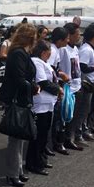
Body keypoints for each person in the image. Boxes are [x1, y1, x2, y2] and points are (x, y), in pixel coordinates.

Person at [0, 23, 38, 187]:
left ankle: (18, 170)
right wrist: (34, 87)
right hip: (17, 99)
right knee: (15, 138)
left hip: (20, 98)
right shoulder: (18, 54)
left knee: (20, 137)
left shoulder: (21, 53)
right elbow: (19, 78)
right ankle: (12, 173)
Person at [26, 40, 62, 175]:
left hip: (48, 103)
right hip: (40, 103)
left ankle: (41, 159)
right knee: (38, 135)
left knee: (44, 134)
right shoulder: (36, 62)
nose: (50, 54)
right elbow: (43, 82)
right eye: (48, 52)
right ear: (43, 52)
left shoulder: (45, 63)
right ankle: (33, 162)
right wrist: (58, 89)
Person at [70, 25, 94, 144]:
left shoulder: (88, 48)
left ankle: (82, 132)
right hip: (85, 84)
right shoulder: (87, 49)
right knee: (82, 111)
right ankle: (78, 134)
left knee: (85, 111)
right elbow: (83, 67)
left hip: (88, 83)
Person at [60, 23, 85, 151]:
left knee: (74, 116)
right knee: (65, 116)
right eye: (77, 34)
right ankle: (61, 141)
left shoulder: (75, 48)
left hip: (77, 86)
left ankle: (70, 138)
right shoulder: (63, 50)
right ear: (69, 35)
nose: (80, 36)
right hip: (68, 88)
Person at [47, 27, 70, 155]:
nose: (67, 40)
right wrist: (58, 84)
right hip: (52, 89)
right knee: (54, 119)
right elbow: (49, 70)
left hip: (54, 87)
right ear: (60, 40)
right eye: (66, 38)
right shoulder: (53, 51)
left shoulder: (55, 49)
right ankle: (51, 144)